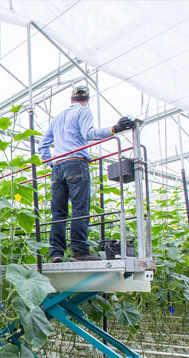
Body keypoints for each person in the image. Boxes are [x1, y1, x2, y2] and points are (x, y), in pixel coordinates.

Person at [38, 85, 134, 263]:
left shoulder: (57, 118)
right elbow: (89, 134)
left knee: (58, 213)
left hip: (58, 167)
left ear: (71, 99)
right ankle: (80, 251)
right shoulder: (84, 111)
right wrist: (115, 128)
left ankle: (56, 253)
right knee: (80, 209)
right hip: (76, 163)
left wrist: (51, 163)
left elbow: (43, 145)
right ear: (87, 99)